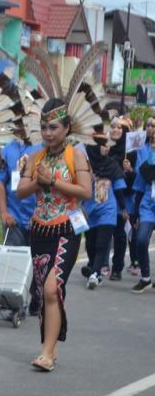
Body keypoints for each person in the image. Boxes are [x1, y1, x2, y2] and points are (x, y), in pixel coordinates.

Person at [17, 98, 92, 371]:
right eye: (44, 127)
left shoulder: (76, 155)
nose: (48, 133)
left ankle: (47, 352)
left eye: (54, 127)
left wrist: (54, 181)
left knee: (51, 289)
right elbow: (21, 191)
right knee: (44, 292)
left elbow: (85, 191)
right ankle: (52, 345)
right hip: (39, 230)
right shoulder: (36, 157)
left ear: (67, 127)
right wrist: (37, 180)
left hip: (66, 230)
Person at [81, 132, 126, 288]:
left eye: (107, 146)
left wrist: (124, 209)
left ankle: (94, 274)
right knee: (91, 244)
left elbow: (119, 188)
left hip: (108, 210)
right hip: (89, 211)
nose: (107, 149)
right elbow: (77, 187)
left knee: (102, 243)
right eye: (103, 146)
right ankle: (94, 268)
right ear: (94, 147)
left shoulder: (112, 165)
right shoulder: (84, 166)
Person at [0, 137, 43, 248]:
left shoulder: (43, 146)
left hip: (38, 218)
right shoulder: (7, 149)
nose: (20, 126)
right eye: (16, 122)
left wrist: (39, 211)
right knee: (13, 262)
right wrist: (4, 213)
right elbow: (0, 182)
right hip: (13, 219)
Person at [109, 118, 138, 280]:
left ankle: (117, 268)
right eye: (112, 127)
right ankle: (96, 265)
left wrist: (129, 170)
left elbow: (136, 181)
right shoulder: (106, 149)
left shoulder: (131, 153)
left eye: (119, 127)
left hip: (124, 200)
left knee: (120, 235)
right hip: (106, 197)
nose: (115, 130)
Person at [130, 128, 155, 292]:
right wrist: (135, 213)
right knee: (141, 240)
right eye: (152, 142)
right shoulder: (145, 168)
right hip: (148, 208)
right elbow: (138, 190)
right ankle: (145, 278)